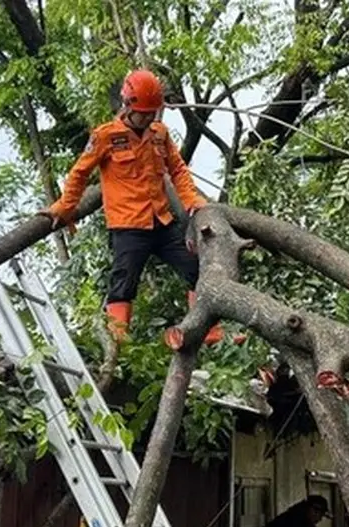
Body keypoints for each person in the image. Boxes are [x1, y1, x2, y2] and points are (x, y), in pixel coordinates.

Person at [43, 68, 226, 348]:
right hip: (128, 227)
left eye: (153, 112)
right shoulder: (105, 136)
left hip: (162, 222)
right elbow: (79, 173)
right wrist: (65, 207)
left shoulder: (159, 134)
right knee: (123, 286)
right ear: (127, 105)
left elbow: (177, 170)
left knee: (197, 268)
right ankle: (118, 347)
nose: (149, 117)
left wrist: (192, 202)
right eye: (144, 112)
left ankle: (208, 334)